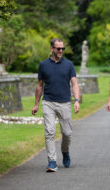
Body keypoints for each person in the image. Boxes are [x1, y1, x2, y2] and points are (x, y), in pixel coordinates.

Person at [32, 38, 80, 172]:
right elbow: (39, 85)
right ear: (52, 49)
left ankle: (65, 152)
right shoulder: (43, 65)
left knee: (67, 133)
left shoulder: (69, 65)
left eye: (62, 49)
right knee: (49, 132)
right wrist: (36, 104)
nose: (61, 51)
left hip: (64, 102)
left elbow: (74, 83)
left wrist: (76, 100)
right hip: (48, 102)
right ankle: (52, 161)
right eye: (58, 48)